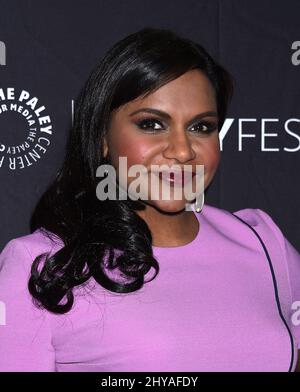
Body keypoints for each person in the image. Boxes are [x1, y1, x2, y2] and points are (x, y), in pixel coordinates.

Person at [0, 27, 300, 372]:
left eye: (201, 127)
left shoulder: (265, 243)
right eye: (153, 124)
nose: (183, 150)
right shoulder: (41, 265)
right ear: (102, 137)